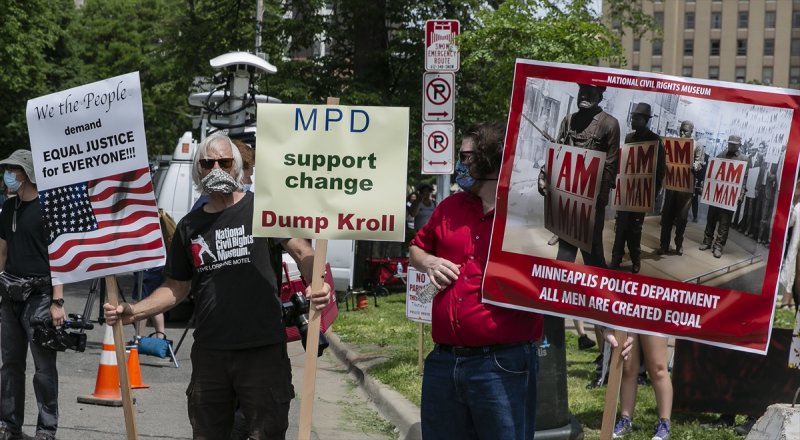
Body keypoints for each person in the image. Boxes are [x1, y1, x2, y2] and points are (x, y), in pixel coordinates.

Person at [104, 134, 331, 439]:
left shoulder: (264, 208)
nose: (216, 169)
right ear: (198, 170)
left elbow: (303, 253)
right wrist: (134, 310)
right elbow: (176, 288)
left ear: (237, 167)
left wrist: (318, 283)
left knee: (267, 432)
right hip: (211, 352)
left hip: (261, 349)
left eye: (224, 162)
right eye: (207, 163)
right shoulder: (189, 226)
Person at [410, 122, 543, 440]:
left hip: (503, 365)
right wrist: (429, 261)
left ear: (490, 159)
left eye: (467, 156)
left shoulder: (525, 213)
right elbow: (416, 248)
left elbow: (567, 265)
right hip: (444, 361)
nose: (460, 163)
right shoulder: (449, 208)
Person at [0, 150, 64, 440]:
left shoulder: (47, 209)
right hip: (9, 297)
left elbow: (60, 258)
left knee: (43, 368)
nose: (8, 176)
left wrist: (57, 301)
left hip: (39, 298)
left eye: (12, 170)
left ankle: (46, 430)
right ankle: (9, 425)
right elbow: (2, 251)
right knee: (11, 364)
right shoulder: (8, 208)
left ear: (26, 174)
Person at [548, 83, 621, 268]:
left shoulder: (609, 124)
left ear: (600, 97)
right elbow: (558, 155)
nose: (584, 96)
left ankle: (599, 291)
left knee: (592, 250)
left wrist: (601, 199)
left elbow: (611, 165)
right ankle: (560, 288)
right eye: (582, 91)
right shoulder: (568, 120)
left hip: (592, 199)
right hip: (568, 195)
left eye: (590, 93)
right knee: (565, 249)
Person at [609, 103, 665, 274]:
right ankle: (616, 258)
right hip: (626, 190)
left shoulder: (655, 140)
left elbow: (660, 169)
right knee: (620, 225)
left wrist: (653, 193)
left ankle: (635, 259)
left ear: (646, 120)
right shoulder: (629, 138)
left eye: (637, 118)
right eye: (633, 117)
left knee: (635, 227)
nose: (633, 120)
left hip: (642, 192)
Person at [604, 325, 672, 440]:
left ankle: (665, 423)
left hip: (653, 312)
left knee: (658, 368)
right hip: (627, 311)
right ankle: (626, 419)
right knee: (627, 367)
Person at [656, 120, 704, 256]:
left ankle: (678, 244)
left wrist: (694, 165)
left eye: (686, 131)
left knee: (682, 218)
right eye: (681, 130)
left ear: (691, 132)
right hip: (672, 186)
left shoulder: (697, 145)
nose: (683, 133)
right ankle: (664, 245)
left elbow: (700, 162)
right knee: (667, 217)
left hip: (686, 188)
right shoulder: (674, 143)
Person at [700, 135, 748, 258]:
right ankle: (707, 241)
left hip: (729, 196)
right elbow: (713, 174)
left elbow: (744, 180)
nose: (731, 146)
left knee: (724, 223)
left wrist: (741, 194)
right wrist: (706, 186)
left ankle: (718, 246)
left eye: (734, 144)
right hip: (717, 194)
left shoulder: (744, 159)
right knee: (711, 219)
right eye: (730, 143)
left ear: (739, 145)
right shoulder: (721, 155)